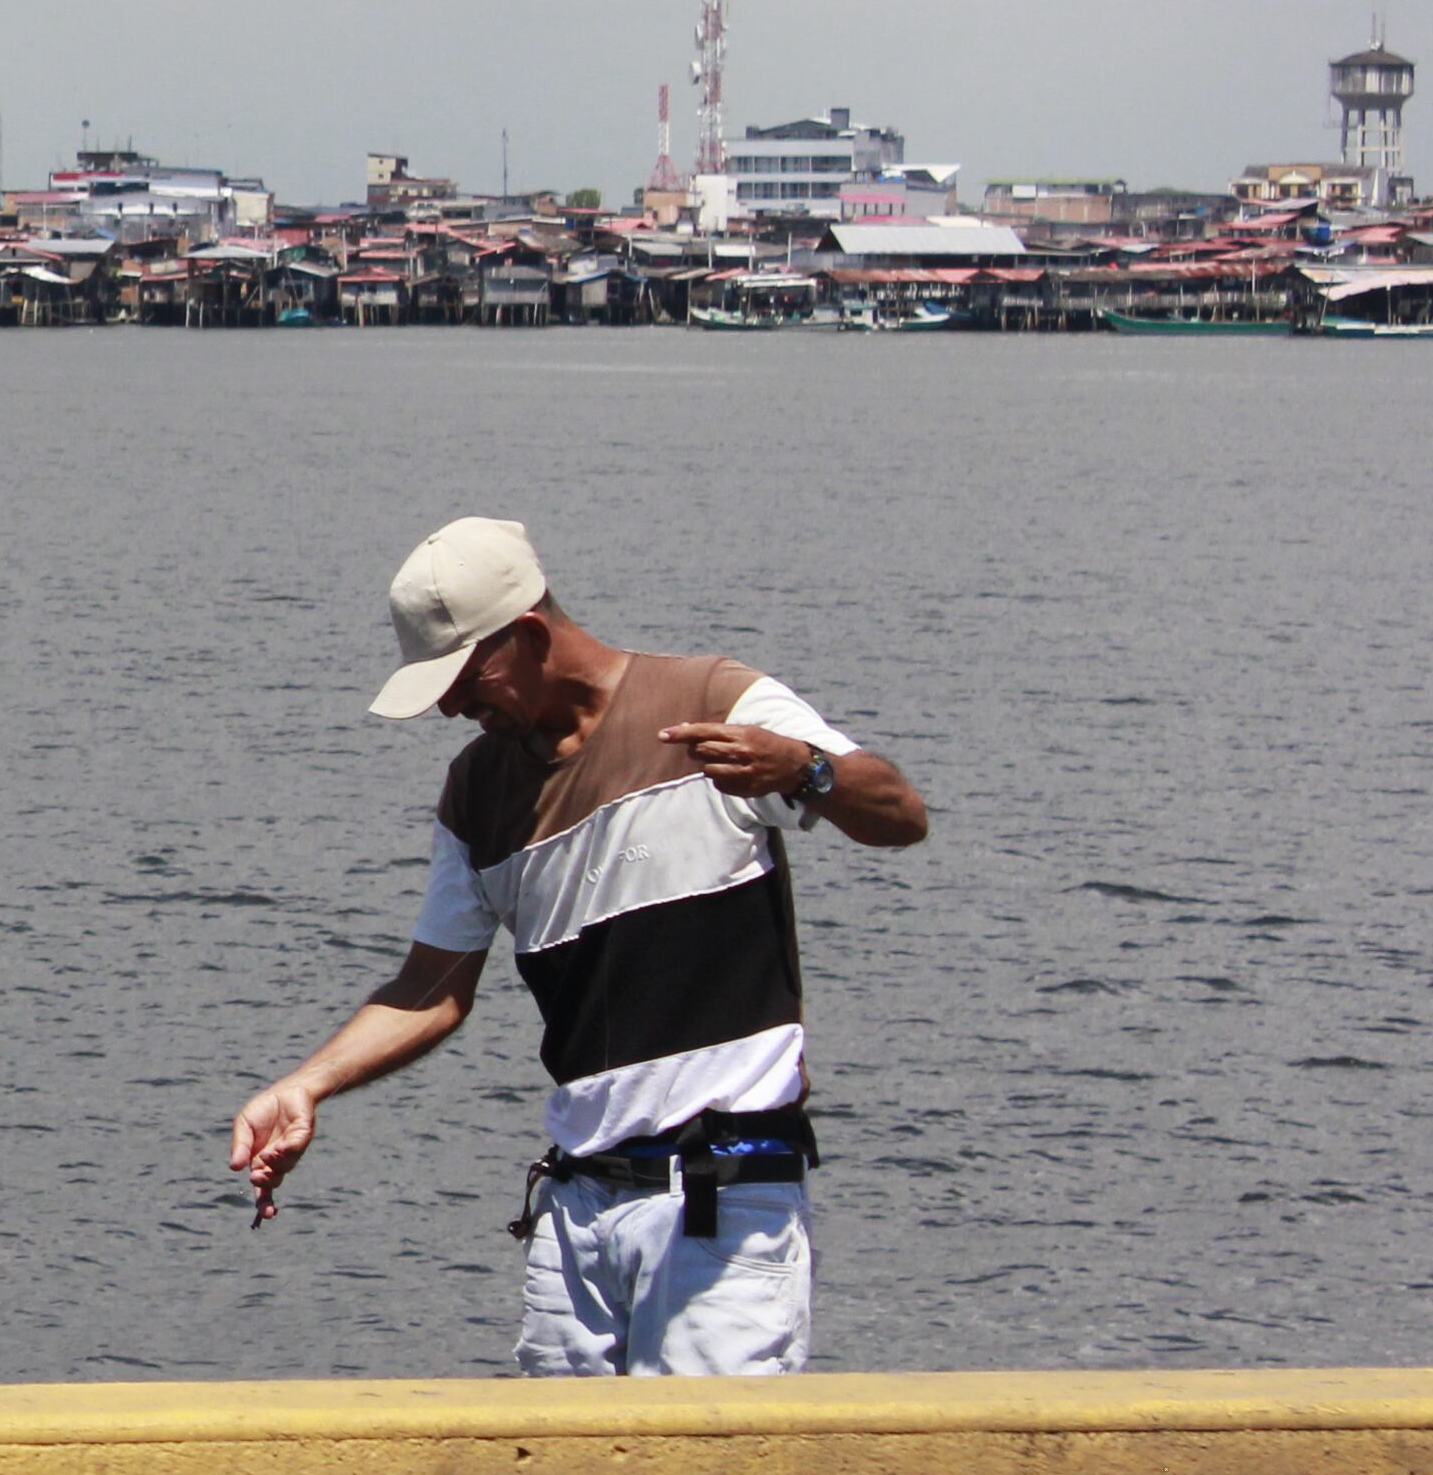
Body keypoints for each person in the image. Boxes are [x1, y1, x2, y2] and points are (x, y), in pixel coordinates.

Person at [228, 516, 927, 1375]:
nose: (450, 707)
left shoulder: (712, 700)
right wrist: (307, 1084)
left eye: (462, 678)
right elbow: (432, 988)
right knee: (554, 1463)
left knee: (705, 1461)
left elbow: (900, 814)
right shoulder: (477, 793)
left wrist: (806, 770)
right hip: (575, 1216)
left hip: (725, 1206)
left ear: (528, 634)